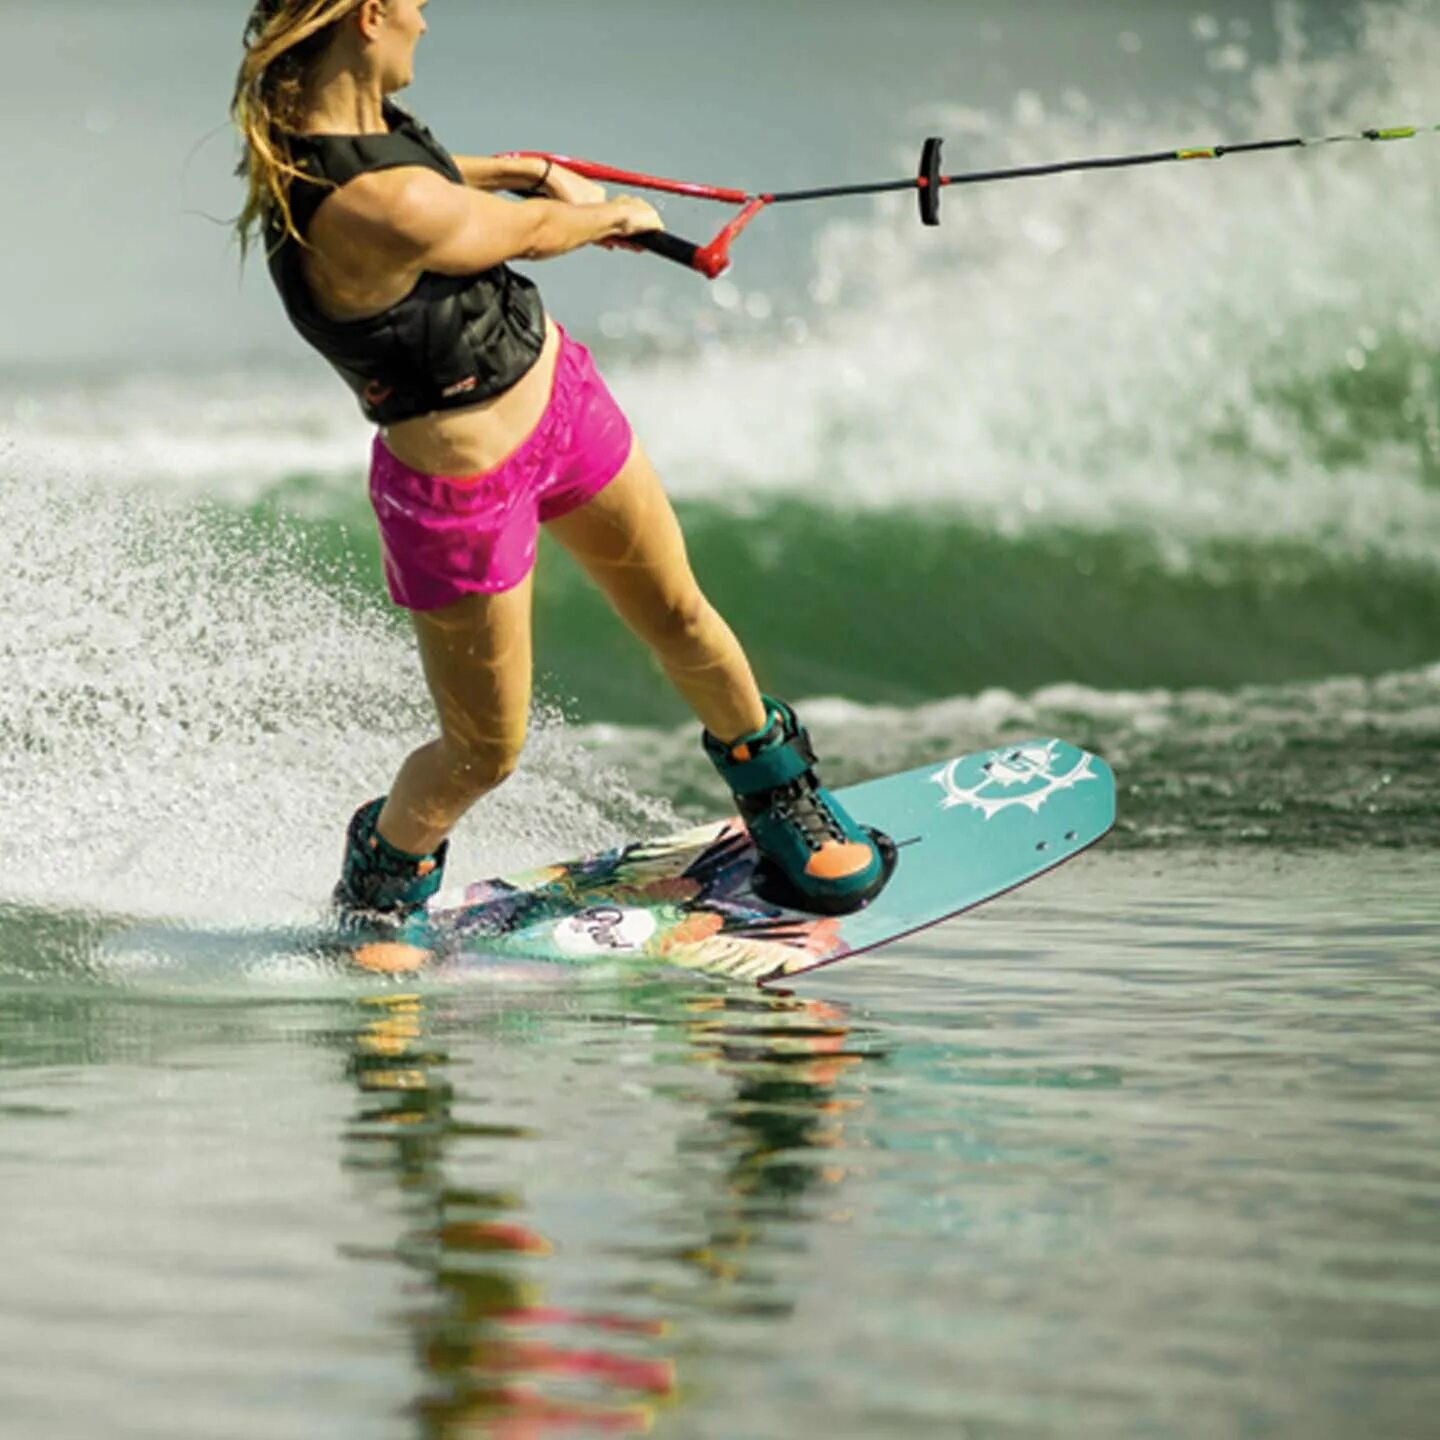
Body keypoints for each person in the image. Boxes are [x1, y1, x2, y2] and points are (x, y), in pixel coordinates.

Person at [231, 0, 890, 921]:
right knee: (482, 752)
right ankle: (379, 881)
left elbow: (437, 180)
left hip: (564, 404)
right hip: (459, 492)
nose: (428, 20)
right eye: (417, 5)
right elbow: (511, 233)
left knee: (679, 613)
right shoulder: (373, 205)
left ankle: (783, 796)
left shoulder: (347, 134)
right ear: (371, 16)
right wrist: (609, 212)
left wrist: (527, 169)